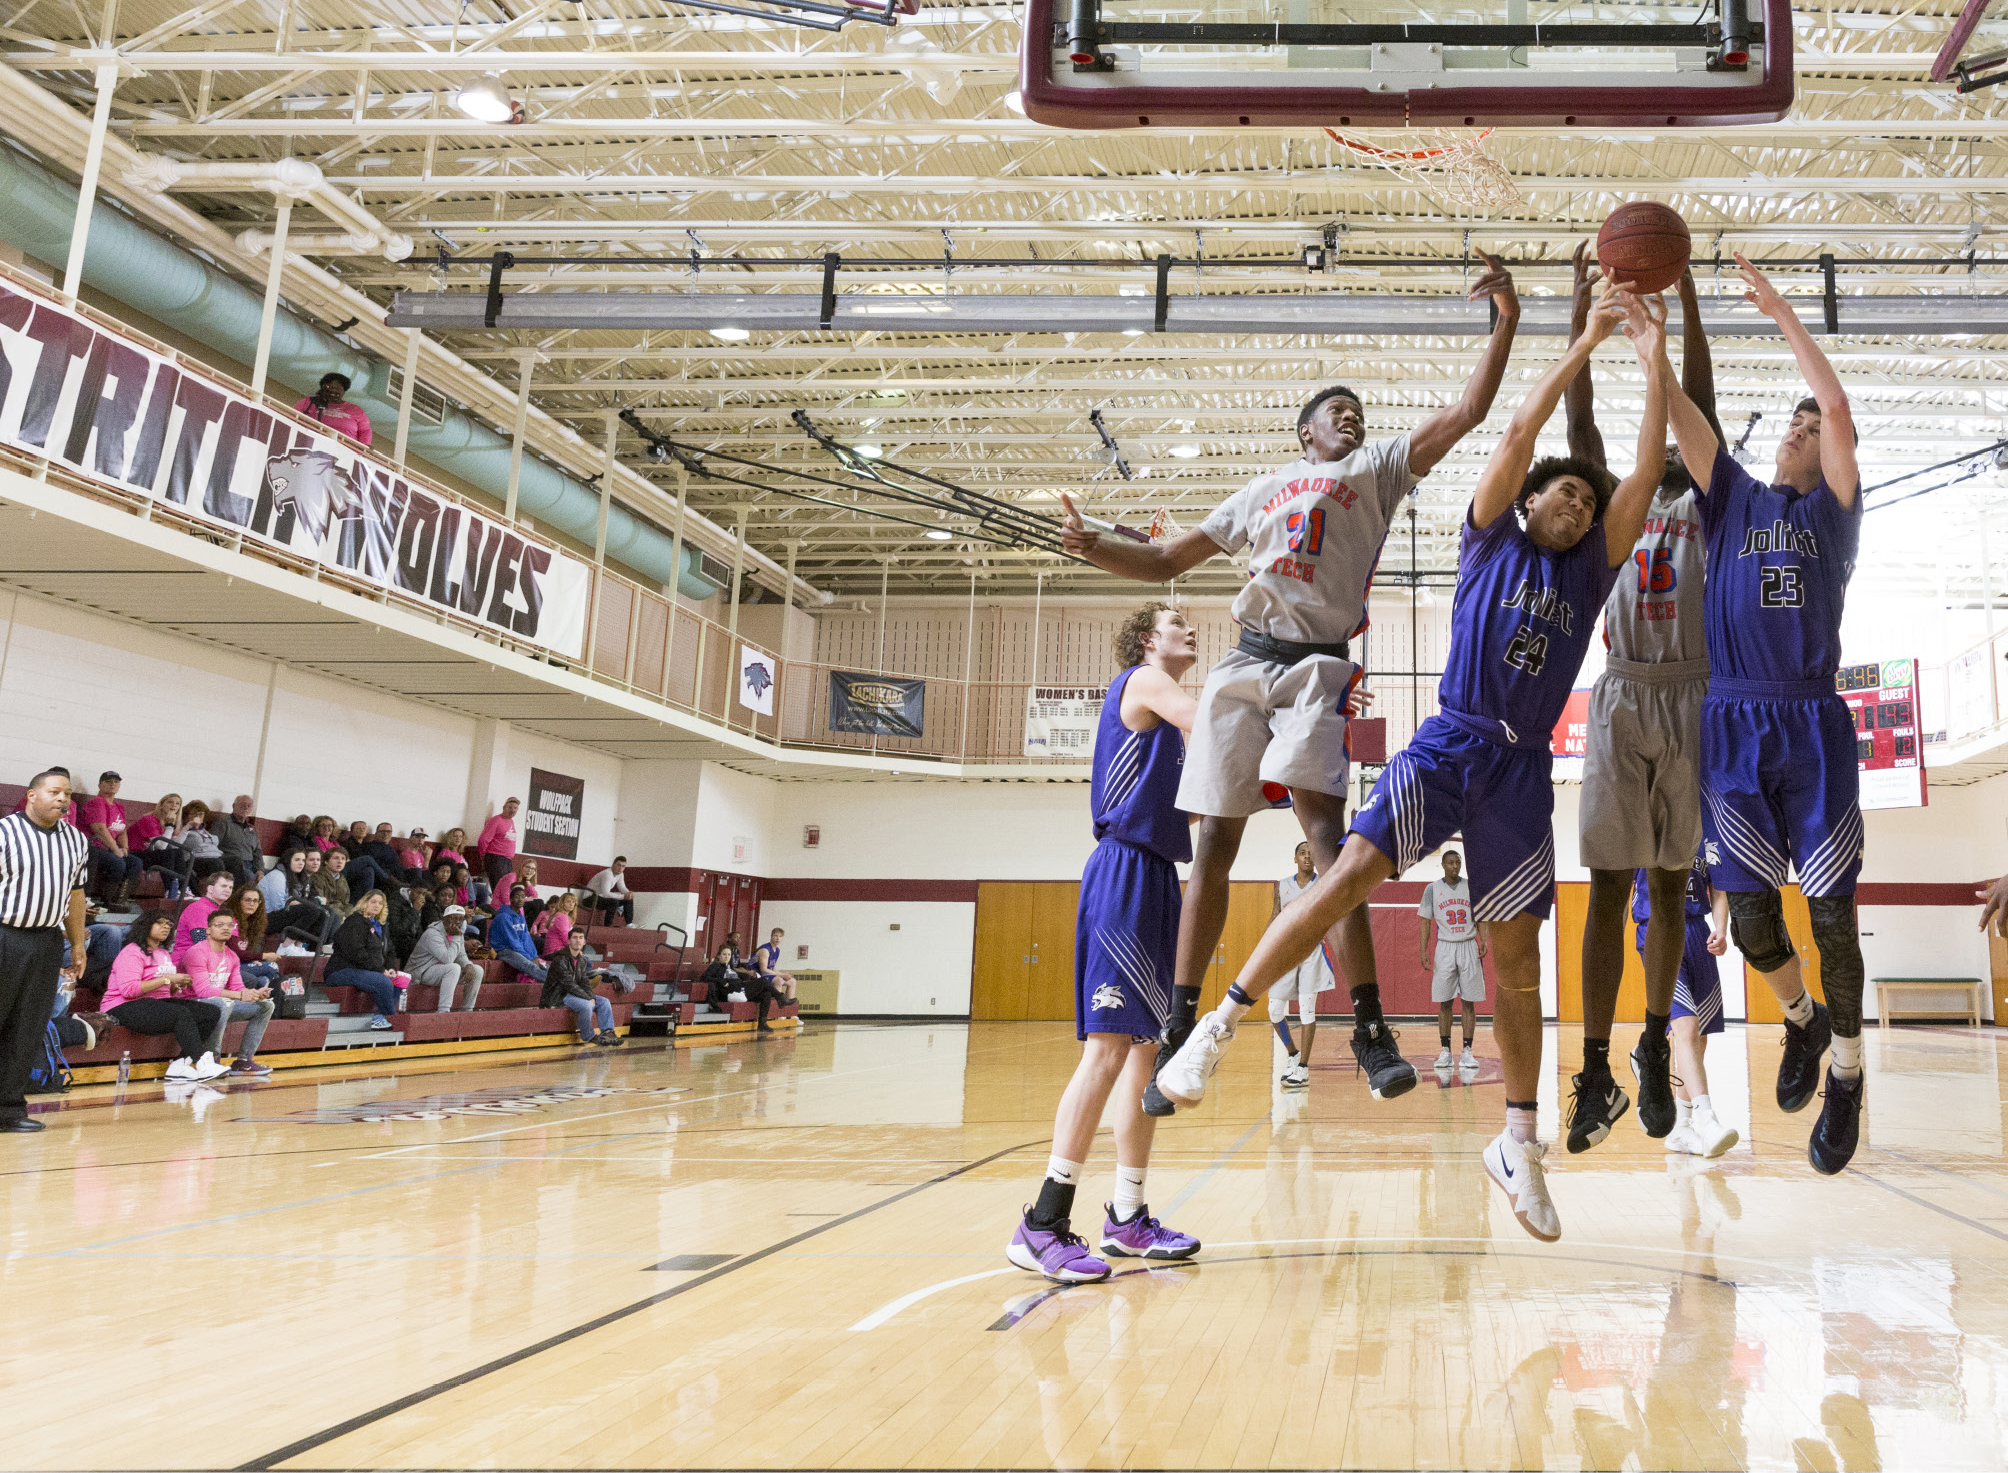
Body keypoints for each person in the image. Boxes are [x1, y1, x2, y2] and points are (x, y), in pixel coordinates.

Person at [1156, 282, 1668, 1246]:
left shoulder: (1592, 569)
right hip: (1449, 741)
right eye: (1565, 491)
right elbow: (1517, 423)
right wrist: (1582, 340)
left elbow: (1642, 472)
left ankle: (1519, 1141)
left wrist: (1651, 355)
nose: (1580, 500)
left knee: (1517, 963)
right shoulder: (1487, 538)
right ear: (1527, 501)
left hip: (1518, 771)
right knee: (1347, 872)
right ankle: (1215, 1026)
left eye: (1587, 500)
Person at [1060, 255, 1524, 1115]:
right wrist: (1094, 547)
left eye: (1356, 411)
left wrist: (1505, 321)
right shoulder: (1263, 489)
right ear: (1303, 432)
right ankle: (1181, 1021)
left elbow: (1468, 412)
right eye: (1332, 411)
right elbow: (1164, 560)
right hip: (1247, 660)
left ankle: (1374, 1025)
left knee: (1327, 840)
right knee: (1216, 846)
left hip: (1315, 667)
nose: (1349, 415)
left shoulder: (1378, 469)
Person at [1665, 253, 1866, 1175]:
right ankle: (1803, 1019)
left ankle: (1851, 1077)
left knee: (1830, 919)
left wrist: (1781, 309)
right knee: (1749, 922)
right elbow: (1686, 422)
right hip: (1732, 722)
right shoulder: (1734, 497)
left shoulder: (1832, 513)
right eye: (1793, 419)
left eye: (1811, 422)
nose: (1802, 427)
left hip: (1811, 721)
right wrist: (1647, 346)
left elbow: (1841, 414)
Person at [1564, 245, 1724, 1156]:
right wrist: (1577, 312)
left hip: (1692, 692)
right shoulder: (1618, 502)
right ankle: (1594, 1063)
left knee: (1671, 884)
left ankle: (1657, 1041)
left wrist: (1685, 289)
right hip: (1623, 695)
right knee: (1606, 883)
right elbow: (1582, 421)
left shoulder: (1708, 491)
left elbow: (1695, 387)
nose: (1668, 435)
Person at [1008, 602, 1204, 1284]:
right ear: (1151, 639)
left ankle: (1128, 1215)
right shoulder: (1143, 680)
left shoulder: (1169, 728)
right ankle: (1041, 1222)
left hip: (1157, 875)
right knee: (1108, 1049)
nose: (1192, 628)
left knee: (1145, 1051)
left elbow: (1218, 788)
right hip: (1123, 870)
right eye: (1179, 620)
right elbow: (1214, 724)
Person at [0, 770, 91, 1132]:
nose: (62, 799)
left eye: (67, 794)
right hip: (4, 934)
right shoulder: (5, 832)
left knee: (28, 1027)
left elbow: (76, 896)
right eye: (54, 792)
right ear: (31, 795)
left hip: (47, 940)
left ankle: (8, 1110)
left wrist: (79, 943)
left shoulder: (77, 841)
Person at [1637, 854, 1737, 1157]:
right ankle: (1707, 1118)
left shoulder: (1707, 826)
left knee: (1698, 1039)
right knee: (1685, 1028)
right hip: (1657, 928)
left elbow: (1719, 888)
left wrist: (1721, 927)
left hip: (1697, 931)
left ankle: (1681, 1127)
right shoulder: (1645, 824)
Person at [101, 912, 229, 1081]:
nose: (166, 927)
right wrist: (167, 979)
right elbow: (129, 990)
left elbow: (164, 992)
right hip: (121, 1006)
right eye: (160, 923)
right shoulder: (132, 952)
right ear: (146, 926)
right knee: (179, 1013)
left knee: (210, 1012)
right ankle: (202, 1063)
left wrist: (176, 986)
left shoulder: (163, 954)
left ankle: (180, 1064)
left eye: (168, 924)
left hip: (153, 1003)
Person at [1267, 842, 1334, 1090]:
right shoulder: (1282, 885)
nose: (1307, 857)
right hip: (1285, 953)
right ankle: (1292, 1053)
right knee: (1274, 1009)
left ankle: (1303, 1068)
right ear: (1295, 858)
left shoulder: (1323, 884)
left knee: (1307, 1011)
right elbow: (1275, 915)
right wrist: (1264, 949)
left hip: (1312, 953)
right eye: (1302, 853)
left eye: (1311, 854)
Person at [184, 909, 275, 1077]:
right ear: (208, 930)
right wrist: (240, 996)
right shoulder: (197, 952)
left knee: (265, 1005)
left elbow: (237, 987)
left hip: (219, 1004)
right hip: (193, 1004)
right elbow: (203, 991)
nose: (226, 928)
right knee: (223, 1003)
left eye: (229, 925)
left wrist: (254, 993)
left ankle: (244, 1061)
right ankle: (212, 1061)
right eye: (220, 925)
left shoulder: (232, 956)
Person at [1418, 848, 1487, 1070]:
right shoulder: (1432, 889)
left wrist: (1483, 939)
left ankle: (1467, 1051)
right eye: (1450, 862)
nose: (1455, 866)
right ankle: (1445, 1051)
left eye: (1458, 862)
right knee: (1445, 1001)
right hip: (1445, 947)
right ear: (1443, 865)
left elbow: (1482, 916)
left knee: (1469, 1001)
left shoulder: (1472, 887)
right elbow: (1425, 922)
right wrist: (1423, 951)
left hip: (1467, 944)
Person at [326, 890, 403, 1029]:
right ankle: (392, 1019)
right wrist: (380, 970)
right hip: (342, 970)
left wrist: (391, 968)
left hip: (368, 970)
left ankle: (380, 1017)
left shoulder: (381, 926)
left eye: (380, 903)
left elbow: (390, 951)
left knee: (400, 981)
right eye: (373, 902)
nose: (376, 906)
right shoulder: (355, 922)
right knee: (383, 982)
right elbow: (356, 952)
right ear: (364, 903)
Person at [543, 924, 620, 1045]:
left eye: (580, 938)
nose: (577, 940)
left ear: (584, 942)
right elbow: (568, 985)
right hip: (559, 995)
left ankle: (608, 1033)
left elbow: (584, 982)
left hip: (574, 993)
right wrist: (588, 998)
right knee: (586, 1005)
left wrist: (592, 997)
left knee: (604, 1002)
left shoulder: (582, 960)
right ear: (568, 941)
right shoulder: (560, 959)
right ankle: (588, 1036)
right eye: (574, 937)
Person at [78, 771, 142, 903]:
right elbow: (99, 830)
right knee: (117, 862)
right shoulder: (97, 803)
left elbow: (122, 831)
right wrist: (115, 849)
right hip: (93, 847)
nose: (112, 784)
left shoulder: (118, 807)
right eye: (108, 781)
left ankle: (119, 900)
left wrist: (124, 847)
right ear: (100, 785)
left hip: (109, 848)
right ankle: (107, 900)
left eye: (116, 782)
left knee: (135, 862)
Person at [409, 904, 483, 1012]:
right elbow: (447, 959)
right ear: (445, 919)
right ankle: (444, 1010)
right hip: (422, 971)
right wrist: (457, 936)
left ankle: (467, 1010)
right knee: (454, 968)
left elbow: (461, 954)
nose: (458, 922)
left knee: (477, 970)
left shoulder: (457, 933)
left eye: (461, 919)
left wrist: (468, 965)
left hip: (442, 971)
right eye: (454, 918)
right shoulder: (433, 933)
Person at [697, 942, 783, 1032]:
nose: (727, 957)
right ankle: (780, 997)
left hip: (740, 990)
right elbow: (704, 977)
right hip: (731, 992)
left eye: (729, 954)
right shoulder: (716, 966)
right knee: (763, 981)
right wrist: (720, 981)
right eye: (724, 954)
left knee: (767, 994)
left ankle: (762, 1023)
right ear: (719, 956)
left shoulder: (730, 967)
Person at [126, 793, 193, 900]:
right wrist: (170, 826)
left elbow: (175, 845)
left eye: (178, 804)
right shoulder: (149, 819)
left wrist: (186, 829)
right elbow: (162, 846)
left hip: (152, 854)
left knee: (177, 852)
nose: (174, 805)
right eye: (170, 802)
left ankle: (183, 889)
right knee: (168, 853)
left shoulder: (168, 821)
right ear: (161, 805)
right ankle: (171, 891)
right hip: (135, 854)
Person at [265, 848, 338, 947]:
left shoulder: (296, 877)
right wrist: (297, 904)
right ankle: (285, 946)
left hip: (281, 914)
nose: (301, 863)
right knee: (313, 910)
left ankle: (299, 945)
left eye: (303, 860)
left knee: (328, 912)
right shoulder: (277, 876)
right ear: (288, 860)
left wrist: (298, 904)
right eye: (297, 860)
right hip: (266, 918)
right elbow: (278, 906)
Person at [171, 869, 239, 964]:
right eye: (223, 886)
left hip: (213, 962)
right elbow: (201, 941)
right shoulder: (198, 908)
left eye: (230, 887)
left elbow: (234, 943)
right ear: (210, 889)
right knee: (255, 976)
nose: (228, 890)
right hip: (188, 963)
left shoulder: (220, 911)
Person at [223, 884, 280, 991]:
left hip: (241, 965)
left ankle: (263, 1004)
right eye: (247, 900)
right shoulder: (231, 921)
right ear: (238, 901)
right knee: (272, 966)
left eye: (255, 901)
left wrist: (252, 960)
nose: (251, 904)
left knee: (263, 980)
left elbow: (245, 951)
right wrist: (262, 956)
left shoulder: (251, 923)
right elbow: (236, 952)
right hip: (226, 967)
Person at [295, 371, 373, 445]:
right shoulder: (309, 402)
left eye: (338, 388)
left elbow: (365, 430)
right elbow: (294, 416)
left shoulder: (355, 410)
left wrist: (365, 446)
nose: (333, 390)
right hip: (309, 444)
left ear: (344, 391)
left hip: (343, 453)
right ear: (323, 387)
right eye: (330, 387)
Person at [488, 885, 546, 983]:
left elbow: (526, 938)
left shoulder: (520, 916)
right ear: (511, 899)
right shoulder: (503, 917)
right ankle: (555, 984)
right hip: (503, 950)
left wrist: (535, 956)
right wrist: (529, 958)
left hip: (516, 950)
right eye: (517, 896)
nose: (520, 899)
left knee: (543, 965)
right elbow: (513, 941)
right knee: (529, 965)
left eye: (523, 896)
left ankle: (559, 982)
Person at [212, 794, 264, 885]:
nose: (246, 808)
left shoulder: (252, 829)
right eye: (242, 805)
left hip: (251, 866)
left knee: (268, 879)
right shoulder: (224, 823)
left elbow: (258, 851)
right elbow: (211, 845)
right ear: (233, 806)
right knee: (249, 877)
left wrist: (259, 869)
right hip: (232, 865)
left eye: (249, 805)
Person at [172, 800, 227, 884]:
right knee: (216, 863)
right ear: (187, 816)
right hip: (196, 859)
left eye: (200, 814)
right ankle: (216, 893)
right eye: (194, 814)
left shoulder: (204, 831)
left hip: (217, 856)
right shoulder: (185, 830)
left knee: (236, 861)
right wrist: (190, 826)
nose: (197, 817)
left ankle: (237, 894)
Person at [477, 799, 520, 891]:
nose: (512, 810)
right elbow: (483, 840)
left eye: (515, 808)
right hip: (496, 859)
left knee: (508, 889)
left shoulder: (511, 821)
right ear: (504, 808)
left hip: (506, 860)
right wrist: (483, 857)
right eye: (510, 807)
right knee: (500, 890)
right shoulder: (496, 820)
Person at [751, 926, 796, 1003]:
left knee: (792, 981)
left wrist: (784, 974)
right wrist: (781, 975)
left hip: (766, 975)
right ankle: (776, 1011)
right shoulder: (765, 950)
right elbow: (763, 970)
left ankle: (789, 1012)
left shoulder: (777, 950)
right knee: (778, 980)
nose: (778, 938)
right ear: (771, 936)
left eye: (780, 936)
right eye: (775, 936)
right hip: (756, 974)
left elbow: (772, 967)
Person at [308, 846, 356, 918]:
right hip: (325, 915)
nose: (340, 861)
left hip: (340, 915)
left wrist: (350, 916)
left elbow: (346, 904)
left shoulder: (342, 880)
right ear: (326, 861)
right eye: (336, 858)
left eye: (343, 859)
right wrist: (342, 916)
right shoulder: (317, 877)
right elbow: (321, 902)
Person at [586, 857, 634, 925]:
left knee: (628, 899)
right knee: (614, 902)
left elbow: (622, 887)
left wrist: (628, 893)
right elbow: (606, 893)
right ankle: (608, 926)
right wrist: (623, 896)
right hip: (589, 898)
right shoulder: (607, 874)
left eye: (623, 866)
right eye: (618, 865)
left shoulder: (620, 874)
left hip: (601, 897)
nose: (620, 868)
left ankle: (629, 924)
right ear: (613, 865)